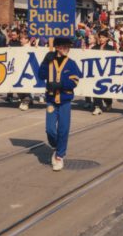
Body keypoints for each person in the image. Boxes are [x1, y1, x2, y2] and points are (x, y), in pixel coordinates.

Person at [38, 38, 82, 171]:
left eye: (67, 47)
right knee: (50, 129)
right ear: (57, 47)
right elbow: (41, 75)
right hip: (51, 101)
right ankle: (57, 146)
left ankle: (59, 156)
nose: (65, 49)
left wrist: (61, 84)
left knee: (63, 129)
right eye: (63, 47)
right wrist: (45, 61)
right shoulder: (50, 62)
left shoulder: (71, 63)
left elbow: (75, 81)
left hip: (65, 102)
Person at [92, 30, 114, 115]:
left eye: (103, 37)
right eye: (100, 37)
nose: (101, 39)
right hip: (96, 72)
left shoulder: (110, 48)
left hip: (106, 72)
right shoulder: (95, 48)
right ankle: (97, 107)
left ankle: (108, 102)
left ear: (107, 38)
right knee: (95, 89)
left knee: (105, 90)